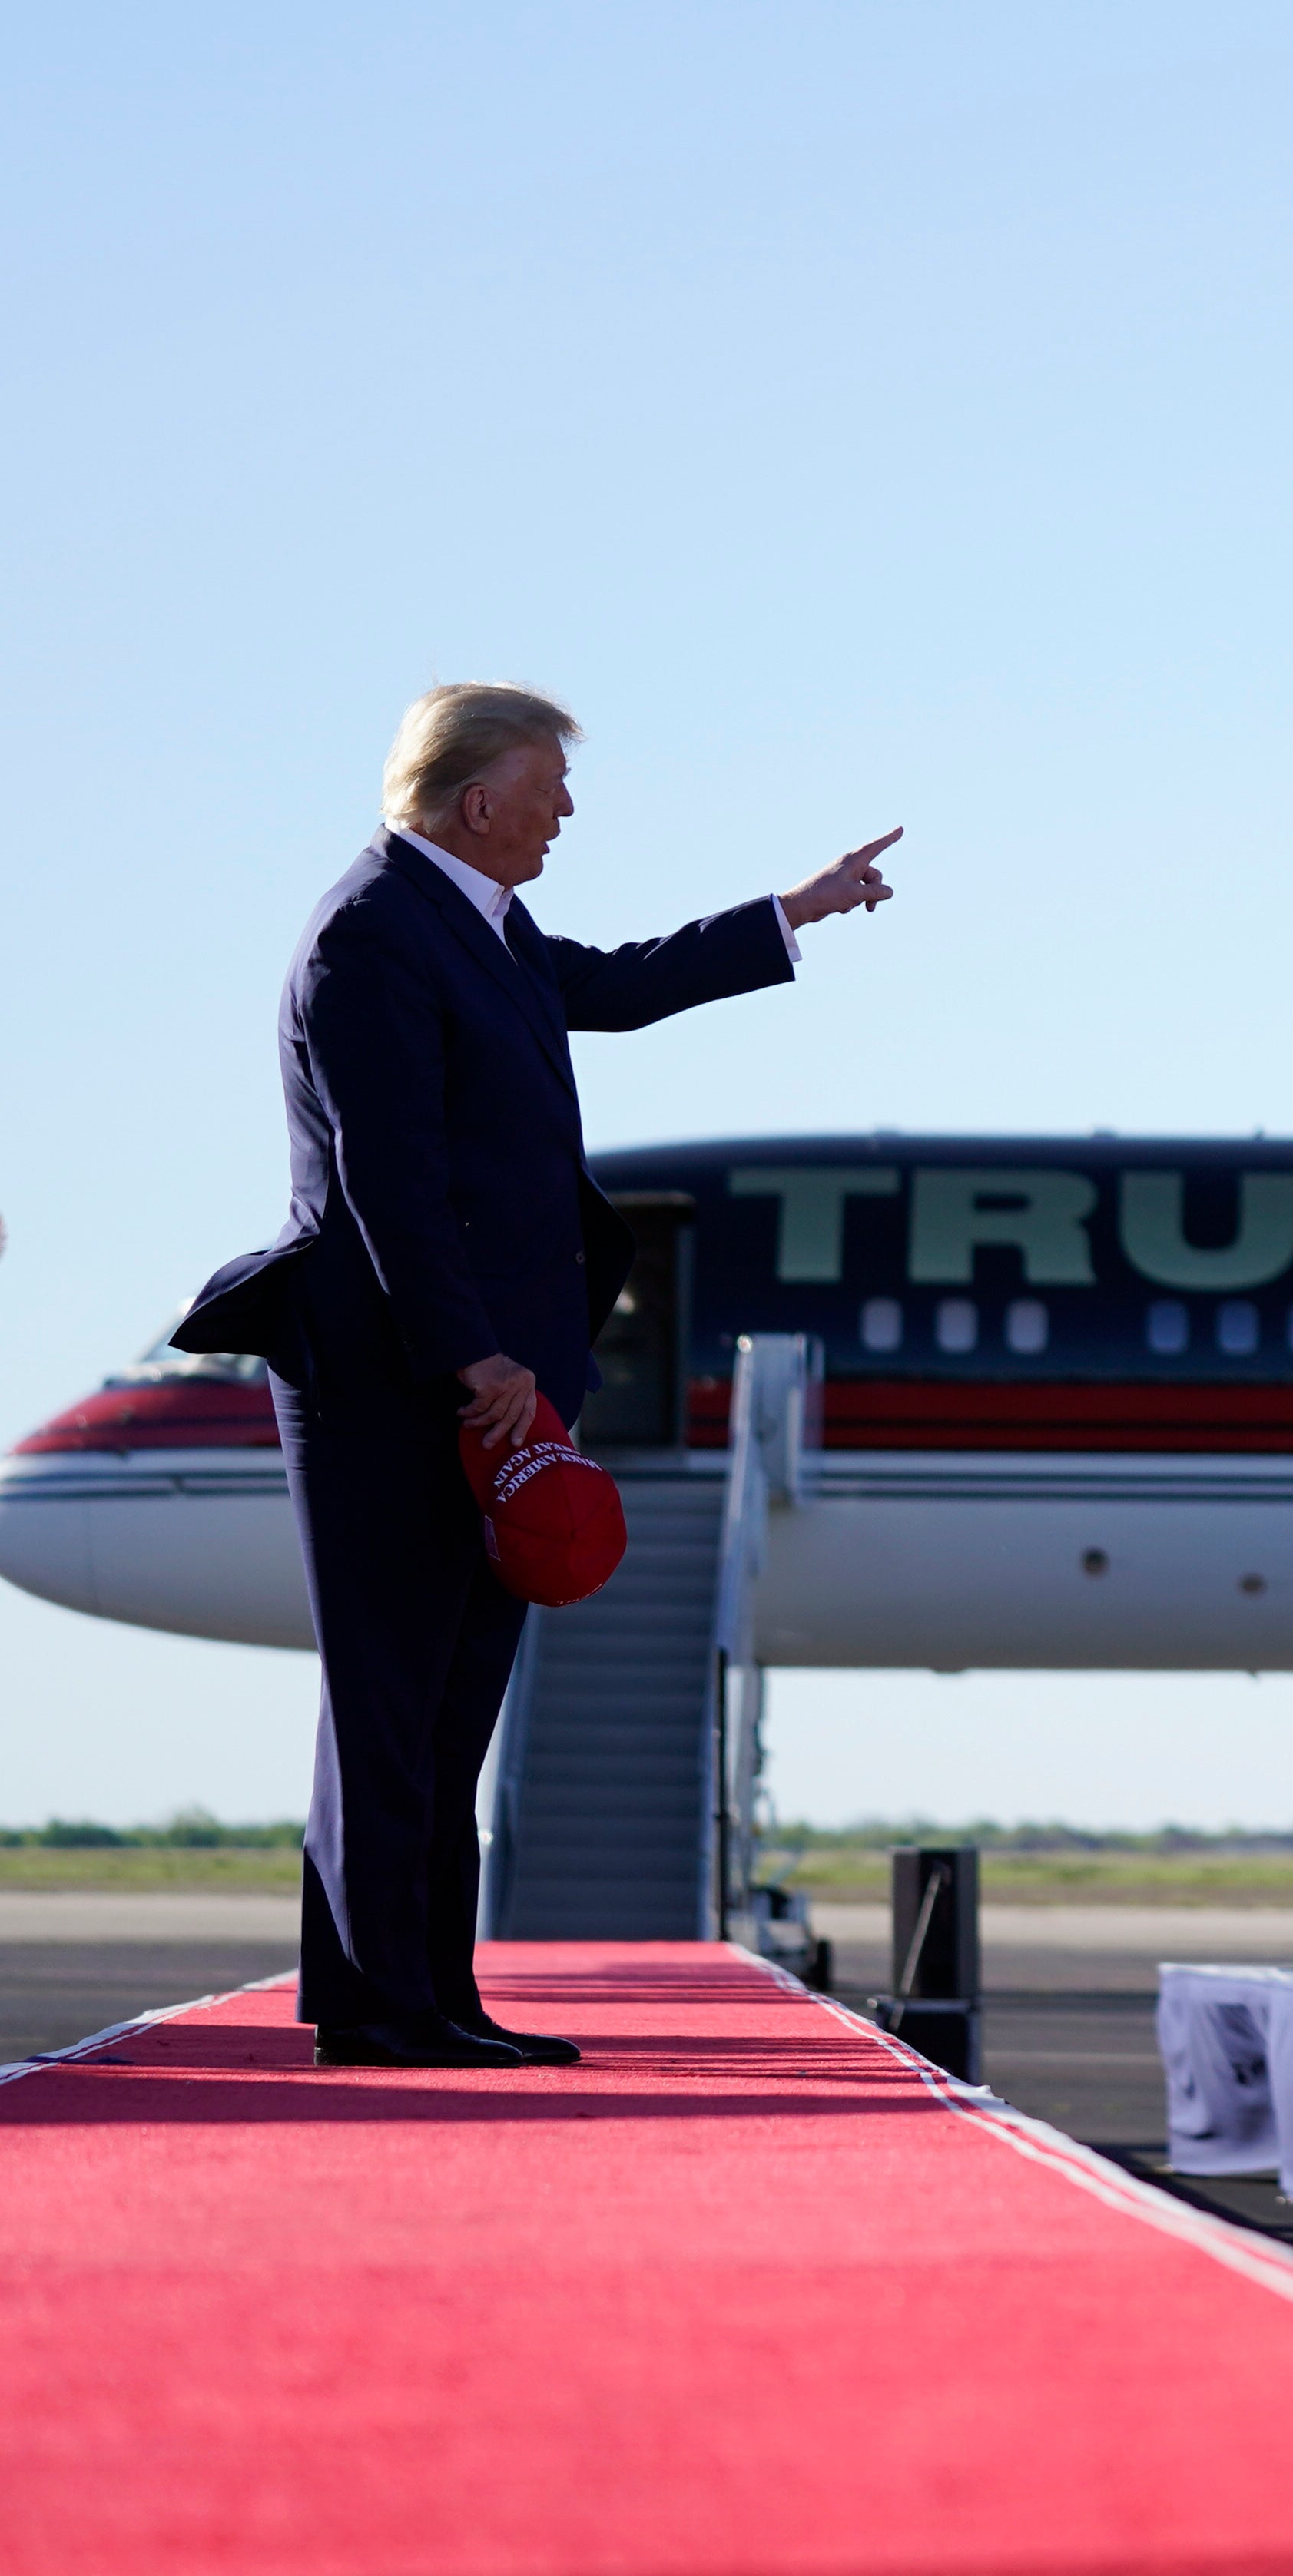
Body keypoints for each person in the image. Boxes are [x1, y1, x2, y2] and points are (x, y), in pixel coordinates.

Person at [167, 686, 896, 2070]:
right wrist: (471, 1356)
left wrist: (792, 912)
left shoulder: (480, 928)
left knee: (454, 1699)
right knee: (390, 1696)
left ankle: (431, 1991)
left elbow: (615, 984)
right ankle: (378, 2004)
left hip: (485, 1378)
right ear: (472, 800)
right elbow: (391, 1181)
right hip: (398, 1373)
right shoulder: (371, 934)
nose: (568, 809)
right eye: (547, 784)